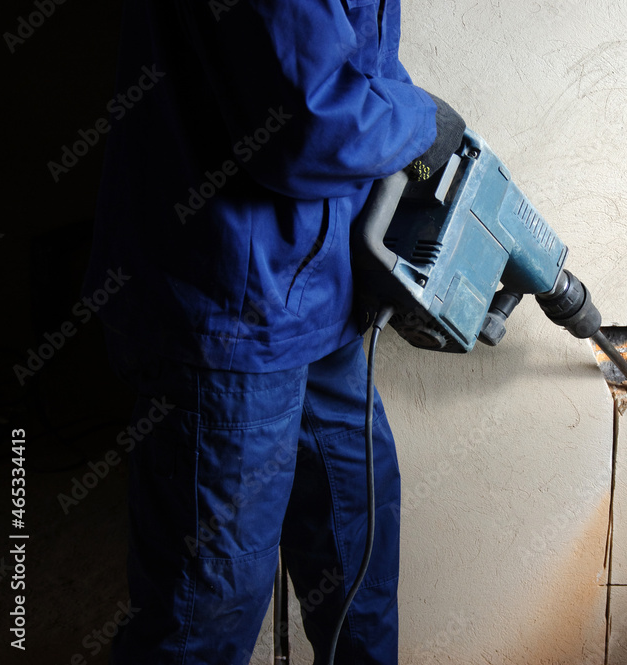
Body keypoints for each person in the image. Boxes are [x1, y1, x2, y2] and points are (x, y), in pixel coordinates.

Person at [83, 0, 464, 663]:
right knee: (206, 607)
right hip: (230, 305)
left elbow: (354, 57)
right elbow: (304, 121)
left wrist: (404, 117)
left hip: (325, 291)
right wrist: (420, 123)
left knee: (357, 553)